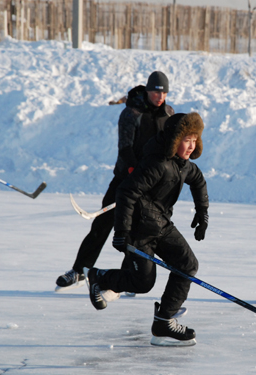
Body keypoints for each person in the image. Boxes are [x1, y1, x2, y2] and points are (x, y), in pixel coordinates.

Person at [84, 112, 209, 347]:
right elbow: (126, 192)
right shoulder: (157, 164)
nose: (191, 146)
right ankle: (99, 277)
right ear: (175, 139)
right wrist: (121, 232)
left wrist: (202, 213)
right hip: (139, 231)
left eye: (195, 140)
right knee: (142, 283)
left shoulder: (183, 165)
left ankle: (163, 321)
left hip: (162, 226)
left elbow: (199, 180)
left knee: (188, 264)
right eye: (186, 140)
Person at [55, 71, 174, 290]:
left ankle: (128, 277)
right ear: (147, 91)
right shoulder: (131, 112)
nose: (160, 96)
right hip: (125, 179)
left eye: (164, 92)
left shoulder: (168, 113)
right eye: (156, 91)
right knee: (102, 225)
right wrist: (133, 172)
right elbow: (125, 147)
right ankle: (80, 270)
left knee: (138, 231)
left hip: (151, 185)